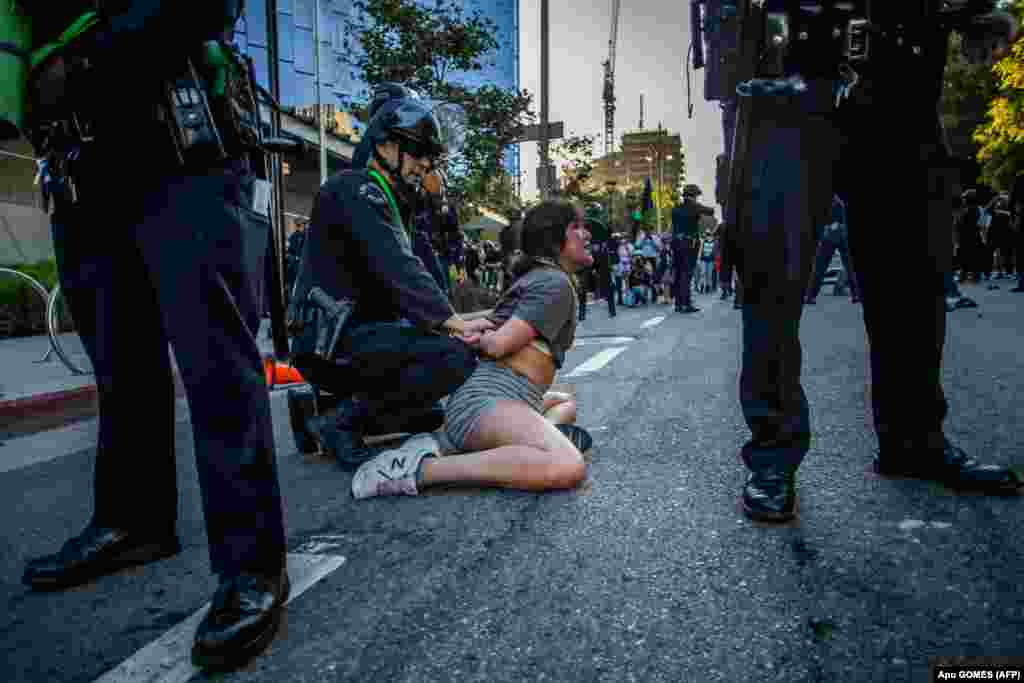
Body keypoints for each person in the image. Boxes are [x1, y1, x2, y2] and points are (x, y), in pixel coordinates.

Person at [18, 2, 293, 670]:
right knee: (120, 361)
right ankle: (134, 521)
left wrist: (83, 58)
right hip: (82, 162)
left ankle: (253, 564)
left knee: (215, 360)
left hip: (175, 139)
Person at [694, 0, 1022, 522]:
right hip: (789, 67)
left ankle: (913, 438)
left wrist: (976, 11)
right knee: (772, 274)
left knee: (912, 270)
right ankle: (774, 451)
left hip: (898, 68)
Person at [286, 86, 493, 470]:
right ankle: (341, 423)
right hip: (331, 341)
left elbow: (426, 272)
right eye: (417, 153)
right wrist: (452, 323)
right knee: (455, 357)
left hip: (359, 335)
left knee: (428, 411)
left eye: (429, 159)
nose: (424, 166)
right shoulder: (353, 189)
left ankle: (321, 409)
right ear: (384, 146)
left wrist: (430, 204)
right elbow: (396, 266)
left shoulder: (393, 203)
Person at [349, 200, 593, 498]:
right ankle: (419, 469)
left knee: (563, 402)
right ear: (555, 239)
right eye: (576, 227)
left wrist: (462, 327)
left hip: (504, 400)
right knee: (567, 465)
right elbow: (499, 344)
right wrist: (480, 338)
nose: (586, 234)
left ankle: (534, 440)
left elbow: (487, 321)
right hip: (487, 403)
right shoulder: (552, 283)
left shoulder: (540, 279)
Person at [805, 193, 861, 305]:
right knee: (847, 265)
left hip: (833, 232)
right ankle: (856, 294)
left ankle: (811, 296)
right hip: (837, 232)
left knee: (821, 265)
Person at [670, 184, 712, 313]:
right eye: (696, 196)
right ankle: (686, 304)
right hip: (689, 244)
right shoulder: (694, 207)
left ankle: (678, 304)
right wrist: (697, 207)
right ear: (693, 196)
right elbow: (710, 211)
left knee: (678, 273)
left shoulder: (676, 209)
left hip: (677, 243)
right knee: (686, 275)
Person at [584, 206, 616, 317]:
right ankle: (612, 310)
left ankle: (582, 313)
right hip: (601, 254)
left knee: (584, 283)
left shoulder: (585, 223)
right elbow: (609, 238)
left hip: (590, 253)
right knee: (607, 283)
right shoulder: (602, 223)